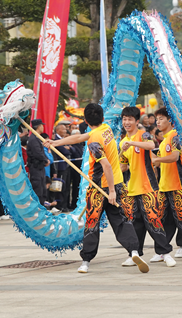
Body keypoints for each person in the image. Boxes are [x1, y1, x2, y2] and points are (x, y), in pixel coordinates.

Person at [46, 104, 147, 274]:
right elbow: (79, 138)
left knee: (92, 223)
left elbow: (106, 165)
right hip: (117, 183)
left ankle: (86, 261)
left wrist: (111, 192)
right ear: (101, 118)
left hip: (101, 188)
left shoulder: (94, 141)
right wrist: (55, 143)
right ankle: (134, 251)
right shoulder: (106, 129)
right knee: (121, 220)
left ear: (85, 120)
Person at [119, 106, 175, 267]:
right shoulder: (123, 142)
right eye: (124, 119)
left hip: (148, 187)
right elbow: (123, 167)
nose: (127, 122)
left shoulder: (142, 135)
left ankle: (165, 253)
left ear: (137, 121)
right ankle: (134, 253)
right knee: (134, 223)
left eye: (130, 119)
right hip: (132, 189)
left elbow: (151, 145)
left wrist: (131, 143)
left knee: (153, 221)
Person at [151, 107, 182, 262]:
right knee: (164, 221)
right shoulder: (164, 139)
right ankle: (162, 251)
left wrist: (157, 160)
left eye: (161, 119)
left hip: (178, 185)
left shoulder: (175, 136)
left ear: (170, 120)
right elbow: (156, 161)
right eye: (156, 119)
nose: (158, 122)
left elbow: (174, 156)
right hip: (164, 186)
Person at [26, 119, 49, 205]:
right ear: (39, 126)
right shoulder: (33, 139)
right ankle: (38, 208)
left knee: (42, 188)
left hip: (40, 167)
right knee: (38, 188)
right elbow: (37, 152)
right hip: (36, 167)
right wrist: (45, 160)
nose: (43, 127)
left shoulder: (37, 137)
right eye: (42, 125)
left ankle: (42, 206)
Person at [53, 123, 72, 211]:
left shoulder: (64, 139)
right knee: (60, 187)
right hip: (60, 167)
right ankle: (60, 205)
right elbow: (65, 151)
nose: (65, 131)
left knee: (67, 186)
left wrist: (69, 148)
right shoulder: (56, 139)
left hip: (67, 167)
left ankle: (65, 205)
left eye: (65, 129)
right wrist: (66, 148)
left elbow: (72, 150)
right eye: (63, 129)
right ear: (57, 130)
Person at [68, 129, 84, 210]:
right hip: (74, 169)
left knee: (78, 187)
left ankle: (77, 203)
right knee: (74, 187)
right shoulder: (72, 145)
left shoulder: (80, 145)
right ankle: (73, 204)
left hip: (81, 169)